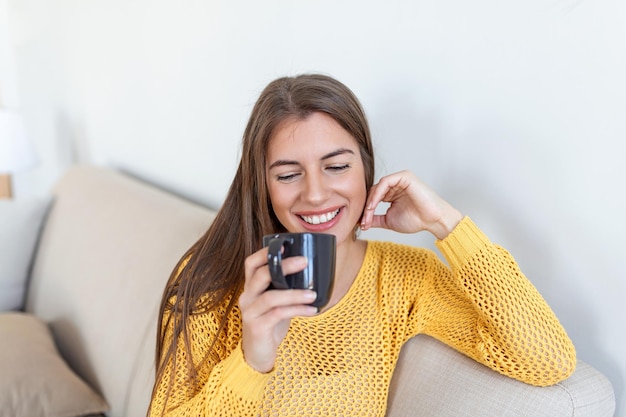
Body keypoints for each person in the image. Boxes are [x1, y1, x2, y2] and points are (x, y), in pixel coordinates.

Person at [147, 74, 576, 417]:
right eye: (288, 174)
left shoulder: (405, 278)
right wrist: (252, 361)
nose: (315, 195)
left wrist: (447, 224)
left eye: (336, 166)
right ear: (262, 185)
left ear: (366, 169)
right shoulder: (213, 279)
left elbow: (546, 360)